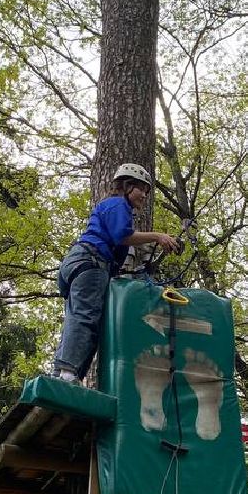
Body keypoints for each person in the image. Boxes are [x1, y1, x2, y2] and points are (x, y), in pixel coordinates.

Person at [51, 162, 180, 381]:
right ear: (127, 186)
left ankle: (61, 374)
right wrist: (158, 236)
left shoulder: (111, 209)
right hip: (91, 263)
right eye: (142, 189)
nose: (144, 196)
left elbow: (120, 244)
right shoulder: (118, 204)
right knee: (85, 317)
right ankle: (67, 374)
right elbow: (123, 236)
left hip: (82, 264)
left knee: (78, 317)